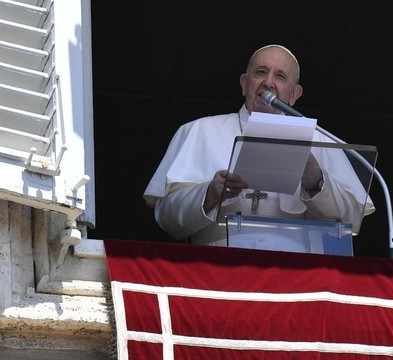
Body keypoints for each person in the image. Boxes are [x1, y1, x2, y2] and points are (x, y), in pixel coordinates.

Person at [143, 44, 375, 253]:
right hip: (217, 270)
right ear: (245, 84)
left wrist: (317, 182)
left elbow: (352, 221)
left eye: (280, 76)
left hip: (298, 277)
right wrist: (210, 193)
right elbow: (167, 219)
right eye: (261, 72)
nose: (268, 82)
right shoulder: (199, 130)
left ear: (293, 94)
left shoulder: (320, 140)